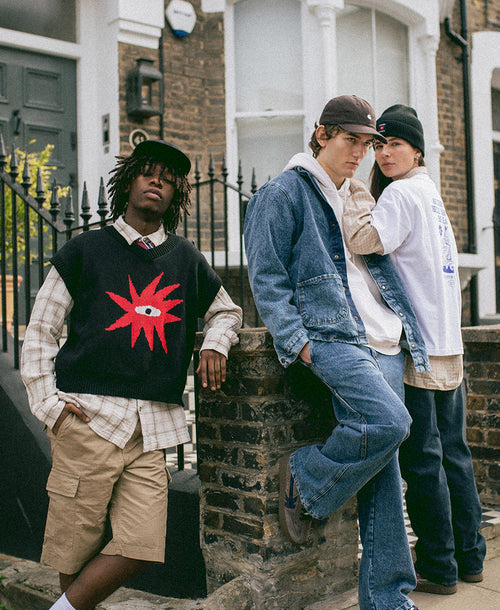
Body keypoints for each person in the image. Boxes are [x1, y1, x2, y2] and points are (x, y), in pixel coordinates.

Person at [21, 139, 242, 610]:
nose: (157, 181)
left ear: (175, 193)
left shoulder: (185, 259)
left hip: (152, 429)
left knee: (142, 545)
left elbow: (227, 311)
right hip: (87, 419)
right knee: (75, 548)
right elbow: (40, 329)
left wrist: (215, 343)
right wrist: (50, 408)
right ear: (128, 183)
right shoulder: (85, 250)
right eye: (148, 172)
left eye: (168, 178)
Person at [244, 95, 426, 610]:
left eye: (368, 144)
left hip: (381, 337)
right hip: (331, 337)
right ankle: (307, 476)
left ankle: (387, 597)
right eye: (351, 140)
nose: (361, 153)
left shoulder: (353, 194)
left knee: (386, 470)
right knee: (390, 423)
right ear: (322, 134)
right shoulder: (282, 193)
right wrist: (297, 341)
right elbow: (267, 276)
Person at [343, 104, 486, 595]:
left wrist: (355, 191)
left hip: (420, 345)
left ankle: (439, 568)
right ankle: (470, 559)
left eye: (395, 144)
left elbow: (365, 240)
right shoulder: (430, 193)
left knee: (424, 462)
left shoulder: (401, 193)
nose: (384, 153)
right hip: (449, 342)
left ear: (417, 150)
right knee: (455, 456)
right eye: (379, 145)